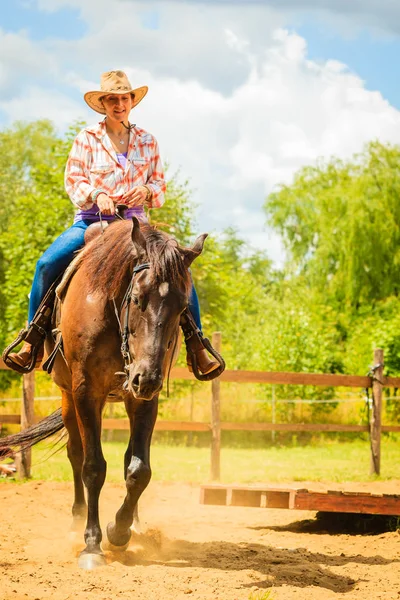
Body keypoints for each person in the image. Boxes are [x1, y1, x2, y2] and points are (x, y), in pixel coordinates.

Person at [6, 70, 221, 377]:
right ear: (103, 103)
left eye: (124, 98)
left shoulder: (148, 141)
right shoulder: (86, 138)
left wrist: (146, 191)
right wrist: (96, 193)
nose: (119, 104)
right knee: (46, 263)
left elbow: (159, 186)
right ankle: (32, 338)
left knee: (178, 267)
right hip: (91, 222)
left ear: (132, 101)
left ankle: (196, 345)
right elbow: (73, 179)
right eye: (113, 100)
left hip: (136, 227)